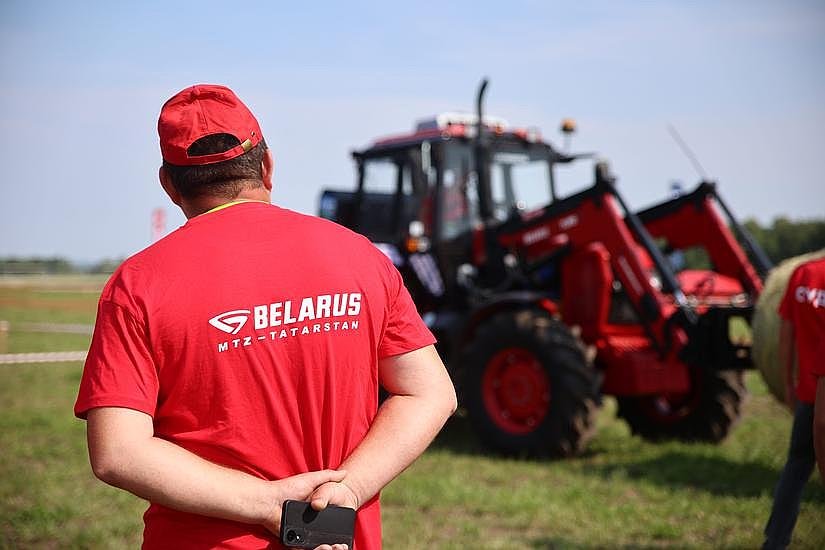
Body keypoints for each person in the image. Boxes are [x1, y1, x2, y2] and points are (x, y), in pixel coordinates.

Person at [74, 84, 457, 550]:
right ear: (267, 166)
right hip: (336, 537)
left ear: (169, 185)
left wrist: (264, 503)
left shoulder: (138, 284)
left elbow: (119, 452)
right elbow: (429, 392)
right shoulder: (361, 257)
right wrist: (349, 489)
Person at [762, 257, 825, 550]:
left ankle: (775, 541)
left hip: (808, 394)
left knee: (797, 467)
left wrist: (787, 381)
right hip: (815, 395)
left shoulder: (804, 274)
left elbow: (786, 333)